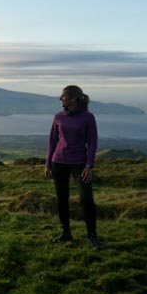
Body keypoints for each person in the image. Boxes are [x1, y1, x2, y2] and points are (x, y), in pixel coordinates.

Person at [44, 85, 105, 249]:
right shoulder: (58, 117)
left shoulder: (88, 117)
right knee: (62, 199)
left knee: (87, 199)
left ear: (73, 99)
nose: (61, 99)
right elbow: (52, 141)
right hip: (59, 162)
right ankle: (65, 232)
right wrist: (47, 164)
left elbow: (92, 142)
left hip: (80, 164)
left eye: (63, 97)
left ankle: (92, 235)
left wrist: (89, 166)